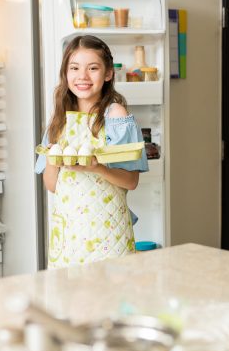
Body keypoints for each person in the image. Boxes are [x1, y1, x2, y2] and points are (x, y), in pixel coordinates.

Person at [35, 35, 148, 268]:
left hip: (108, 230)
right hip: (69, 232)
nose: (82, 76)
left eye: (93, 68)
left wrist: (96, 167)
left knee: (107, 298)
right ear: (66, 74)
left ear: (108, 74)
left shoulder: (115, 114)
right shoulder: (59, 119)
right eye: (74, 68)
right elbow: (52, 185)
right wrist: (54, 159)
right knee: (69, 300)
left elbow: (131, 181)